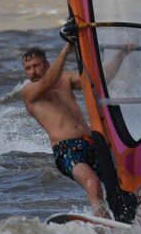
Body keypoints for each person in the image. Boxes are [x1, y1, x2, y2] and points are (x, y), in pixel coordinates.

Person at [21, 42, 132, 218]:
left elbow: (98, 81)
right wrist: (66, 51)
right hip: (66, 150)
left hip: (92, 143)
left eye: (36, 66)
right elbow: (48, 81)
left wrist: (121, 54)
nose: (32, 72)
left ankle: (139, 224)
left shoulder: (65, 79)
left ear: (47, 64)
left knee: (124, 184)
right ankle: (102, 225)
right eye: (28, 68)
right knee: (92, 183)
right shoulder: (29, 91)